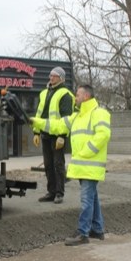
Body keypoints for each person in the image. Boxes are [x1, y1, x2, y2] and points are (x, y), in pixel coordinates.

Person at [31, 84, 111, 246]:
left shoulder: (99, 113)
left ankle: (83, 233)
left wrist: (86, 152)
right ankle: (97, 229)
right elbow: (57, 125)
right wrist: (35, 122)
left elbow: (103, 135)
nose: (75, 98)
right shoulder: (77, 116)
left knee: (86, 199)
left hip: (90, 165)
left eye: (78, 95)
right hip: (84, 166)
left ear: (86, 96)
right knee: (92, 198)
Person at [31, 67, 75, 204]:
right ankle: (51, 192)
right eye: (50, 75)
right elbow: (39, 114)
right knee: (48, 165)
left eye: (54, 76)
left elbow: (67, 118)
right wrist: (36, 132)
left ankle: (59, 193)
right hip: (45, 134)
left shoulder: (65, 94)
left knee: (58, 164)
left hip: (57, 135)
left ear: (61, 78)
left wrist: (62, 136)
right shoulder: (44, 93)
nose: (51, 78)